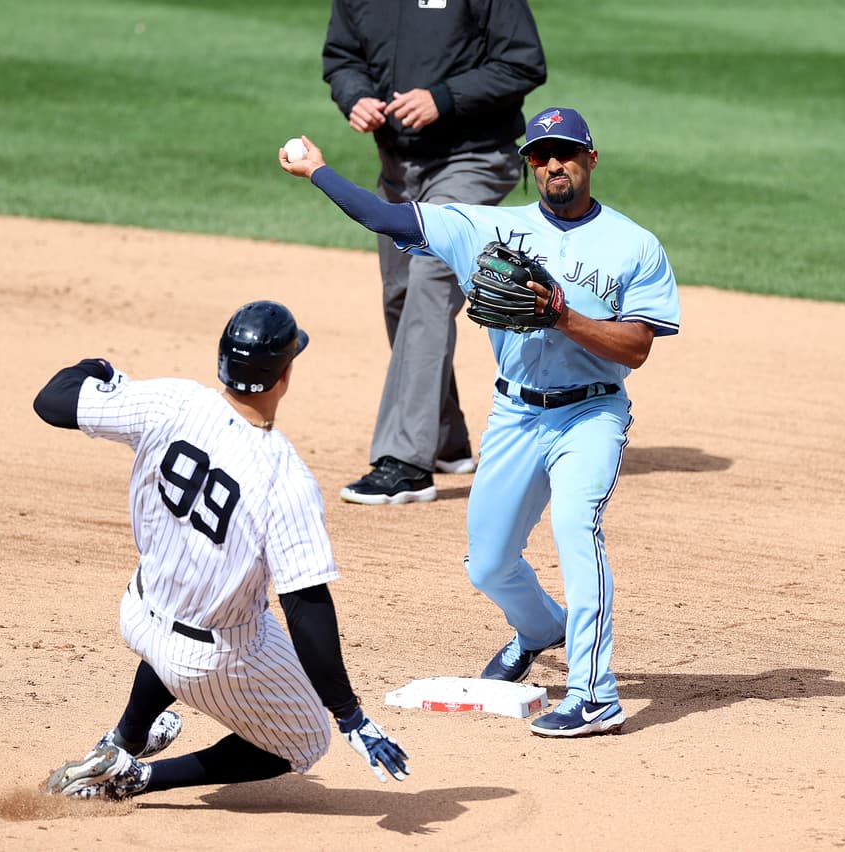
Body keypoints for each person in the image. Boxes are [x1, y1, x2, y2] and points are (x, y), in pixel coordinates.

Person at [279, 107, 681, 737]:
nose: (553, 165)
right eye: (541, 155)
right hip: (516, 413)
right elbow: (387, 217)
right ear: (529, 165)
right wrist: (319, 172)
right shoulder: (483, 228)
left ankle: (595, 694)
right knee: (488, 564)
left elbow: (636, 348)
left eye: (566, 153)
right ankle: (540, 628)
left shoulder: (634, 245)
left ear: (590, 160)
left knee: (578, 527)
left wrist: (562, 318)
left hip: (591, 413)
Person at [34, 300, 409, 798]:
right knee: (307, 740)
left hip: (138, 611)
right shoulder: (284, 477)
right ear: (284, 377)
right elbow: (307, 608)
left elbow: (53, 401)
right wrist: (349, 714)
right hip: (208, 659)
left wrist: (97, 370)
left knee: (240, 618)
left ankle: (123, 739)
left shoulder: (171, 402)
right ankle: (133, 778)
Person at [322, 0, 547, 505]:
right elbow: (342, 56)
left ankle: (405, 461)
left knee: (429, 280)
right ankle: (444, 438)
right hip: (398, 168)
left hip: (473, 160)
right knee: (399, 298)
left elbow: (524, 61)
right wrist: (355, 95)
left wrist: (443, 98)